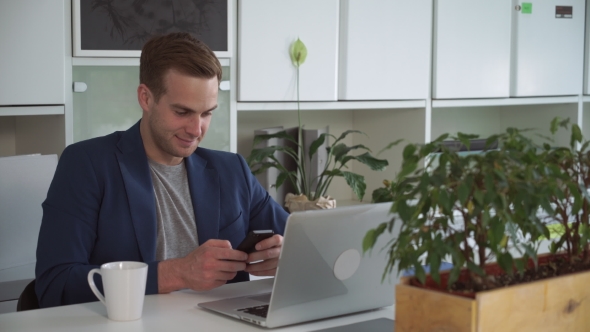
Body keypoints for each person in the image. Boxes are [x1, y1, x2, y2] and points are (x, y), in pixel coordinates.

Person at [35, 32, 289, 307]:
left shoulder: (232, 170)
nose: (196, 130)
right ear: (146, 98)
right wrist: (177, 273)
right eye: (182, 112)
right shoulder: (86, 164)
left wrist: (286, 255)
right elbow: (56, 284)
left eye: (206, 113)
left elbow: (305, 244)